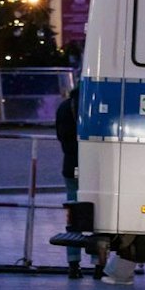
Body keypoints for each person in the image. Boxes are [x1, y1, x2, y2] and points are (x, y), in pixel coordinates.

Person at [54, 82, 86, 279]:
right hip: (96, 169)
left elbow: (61, 136)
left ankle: (73, 264)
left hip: (71, 166)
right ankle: (99, 265)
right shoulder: (98, 102)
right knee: (98, 217)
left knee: (73, 216)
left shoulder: (65, 107)